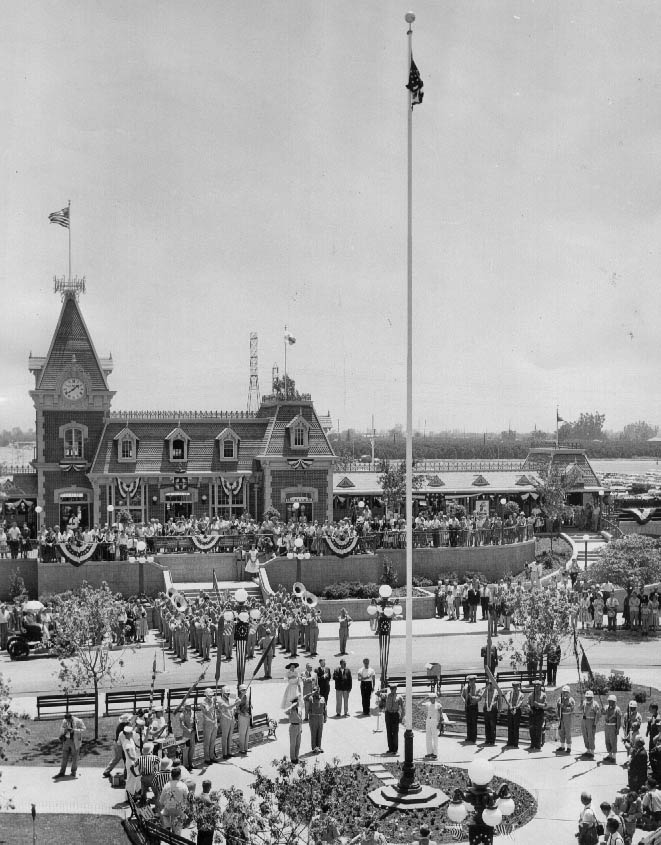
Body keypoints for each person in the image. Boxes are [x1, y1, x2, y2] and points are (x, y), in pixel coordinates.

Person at [158, 765, 190, 836]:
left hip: (168, 809)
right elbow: (188, 799)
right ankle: (175, 833)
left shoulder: (166, 785)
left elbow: (161, 801)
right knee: (177, 832)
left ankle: (167, 825)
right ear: (179, 776)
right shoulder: (183, 785)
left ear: (171, 776)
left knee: (164, 813)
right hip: (179, 811)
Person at [54, 712, 86, 778]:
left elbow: (84, 729)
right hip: (66, 740)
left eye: (69, 720)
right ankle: (62, 772)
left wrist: (74, 730)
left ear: (71, 717)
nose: (67, 721)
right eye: (66, 720)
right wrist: (64, 730)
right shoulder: (64, 721)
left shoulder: (78, 721)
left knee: (75, 757)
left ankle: (73, 772)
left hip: (75, 741)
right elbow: (61, 729)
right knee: (64, 757)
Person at [383, 682, 405, 754]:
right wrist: (381, 690)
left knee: (395, 733)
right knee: (389, 732)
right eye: (391, 688)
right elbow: (377, 694)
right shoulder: (387, 695)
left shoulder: (399, 697)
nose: (392, 690)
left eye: (393, 688)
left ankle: (395, 749)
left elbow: (403, 708)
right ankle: (390, 748)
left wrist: (401, 717)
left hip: (395, 715)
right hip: (388, 714)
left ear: (396, 689)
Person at [461, 675, 482, 744]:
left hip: (474, 706)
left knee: (473, 722)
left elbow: (480, 697)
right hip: (468, 706)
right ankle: (469, 737)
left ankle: (473, 738)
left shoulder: (478, 688)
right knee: (468, 722)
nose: (471, 682)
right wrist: (464, 700)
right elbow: (462, 695)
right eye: (469, 680)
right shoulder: (466, 687)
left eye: (472, 680)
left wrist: (473, 698)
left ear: (475, 680)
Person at [200, 688, 218, 764]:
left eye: (211, 695)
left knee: (213, 741)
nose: (211, 696)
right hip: (207, 724)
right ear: (206, 695)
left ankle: (212, 756)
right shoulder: (203, 703)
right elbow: (207, 711)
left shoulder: (212, 701)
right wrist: (213, 703)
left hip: (214, 723)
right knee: (207, 742)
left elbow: (214, 711)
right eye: (209, 695)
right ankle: (207, 758)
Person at [195, 779, 216, 845]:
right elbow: (213, 814)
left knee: (200, 841)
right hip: (208, 826)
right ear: (209, 787)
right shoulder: (210, 800)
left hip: (200, 825)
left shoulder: (197, 797)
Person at [556, 685, 576, 754]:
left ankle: (569, 747)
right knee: (561, 732)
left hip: (567, 716)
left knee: (568, 732)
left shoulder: (571, 700)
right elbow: (558, 708)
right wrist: (558, 715)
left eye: (566, 692)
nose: (565, 693)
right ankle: (562, 746)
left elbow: (571, 709)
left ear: (569, 692)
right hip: (561, 717)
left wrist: (564, 706)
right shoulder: (559, 699)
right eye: (564, 692)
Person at [581, 690, 600, 758]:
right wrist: (580, 704)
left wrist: (595, 723)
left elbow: (598, 715)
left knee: (591, 736)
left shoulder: (595, 704)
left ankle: (592, 751)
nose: (588, 698)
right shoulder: (584, 702)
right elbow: (580, 709)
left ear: (592, 697)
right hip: (584, 720)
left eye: (589, 697)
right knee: (585, 735)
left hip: (591, 721)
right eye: (587, 697)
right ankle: (588, 750)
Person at [306, 689, 327, 753]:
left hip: (320, 717)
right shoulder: (310, 699)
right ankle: (314, 748)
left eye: (318, 691)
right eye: (315, 691)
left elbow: (325, 709)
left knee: (320, 733)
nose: (317, 692)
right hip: (313, 717)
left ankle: (319, 747)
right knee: (314, 733)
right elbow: (305, 698)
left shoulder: (322, 698)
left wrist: (325, 717)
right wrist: (311, 694)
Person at [528, 680, 547, 750]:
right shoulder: (531, 694)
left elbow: (545, 705)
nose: (536, 687)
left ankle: (538, 744)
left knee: (538, 728)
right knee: (532, 728)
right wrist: (529, 708)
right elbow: (528, 703)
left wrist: (538, 704)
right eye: (535, 685)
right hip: (532, 711)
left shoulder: (543, 694)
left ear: (540, 686)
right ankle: (532, 744)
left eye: (538, 685)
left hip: (539, 711)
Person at [505, 680, 525, 748]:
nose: (515, 687)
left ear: (519, 686)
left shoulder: (521, 694)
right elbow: (507, 699)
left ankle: (515, 743)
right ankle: (510, 742)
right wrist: (510, 706)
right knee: (510, 726)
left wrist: (516, 707)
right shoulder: (509, 693)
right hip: (510, 710)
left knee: (516, 727)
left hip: (517, 710)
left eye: (517, 686)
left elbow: (520, 702)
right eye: (514, 686)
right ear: (512, 686)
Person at [604, 694, 623, 762]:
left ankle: (614, 757)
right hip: (607, 726)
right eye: (609, 701)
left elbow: (619, 720)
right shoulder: (606, 707)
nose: (610, 702)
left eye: (611, 701)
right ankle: (609, 755)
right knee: (607, 741)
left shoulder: (617, 709)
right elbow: (603, 713)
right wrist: (602, 710)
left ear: (615, 702)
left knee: (613, 741)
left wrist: (617, 729)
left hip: (613, 726)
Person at [424, 693, 443, 759]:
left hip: (435, 722)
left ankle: (435, 753)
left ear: (435, 698)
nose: (431, 699)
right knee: (428, 738)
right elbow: (418, 704)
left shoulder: (438, 705)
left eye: (432, 698)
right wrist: (425, 698)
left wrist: (440, 723)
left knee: (435, 738)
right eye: (430, 698)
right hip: (428, 721)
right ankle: (429, 752)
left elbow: (441, 715)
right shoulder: (428, 704)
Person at [482, 679, 500, 745]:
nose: (490, 684)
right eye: (489, 683)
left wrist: (499, 711)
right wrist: (487, 688)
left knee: (492, 725)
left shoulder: (497, 691)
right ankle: (487, 739)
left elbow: (500, 701)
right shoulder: (487, 691)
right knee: (487, 725)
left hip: (493, 710)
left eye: (491, 683)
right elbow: (483, 696)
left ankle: (492, 740)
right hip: (486, 709)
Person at [285, 696, 303, 763]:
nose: (297, 703)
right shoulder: (291, 710)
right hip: (293, 726)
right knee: (293, 744)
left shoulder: (300, 709)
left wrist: (301, 728)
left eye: (297, 702)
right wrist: (292, 706)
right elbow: (285, 712)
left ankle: (296, 757)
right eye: (295, 702)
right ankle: (293, 758)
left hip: (298, 727)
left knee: (298, 743)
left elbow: (301, 719)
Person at [235, 684, 251, 755]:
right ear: (240, 690)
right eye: (242, 690)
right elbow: (237, 709)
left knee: (247, 733)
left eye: (245, 690)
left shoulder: (247, 697)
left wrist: (250, 705)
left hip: (247, 716)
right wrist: (242, 714)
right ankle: (241, 749)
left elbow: (248, 704)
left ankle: (246, 748)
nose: (244, 691)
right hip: (242, 717)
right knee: (242, 733)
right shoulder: (238, 699)